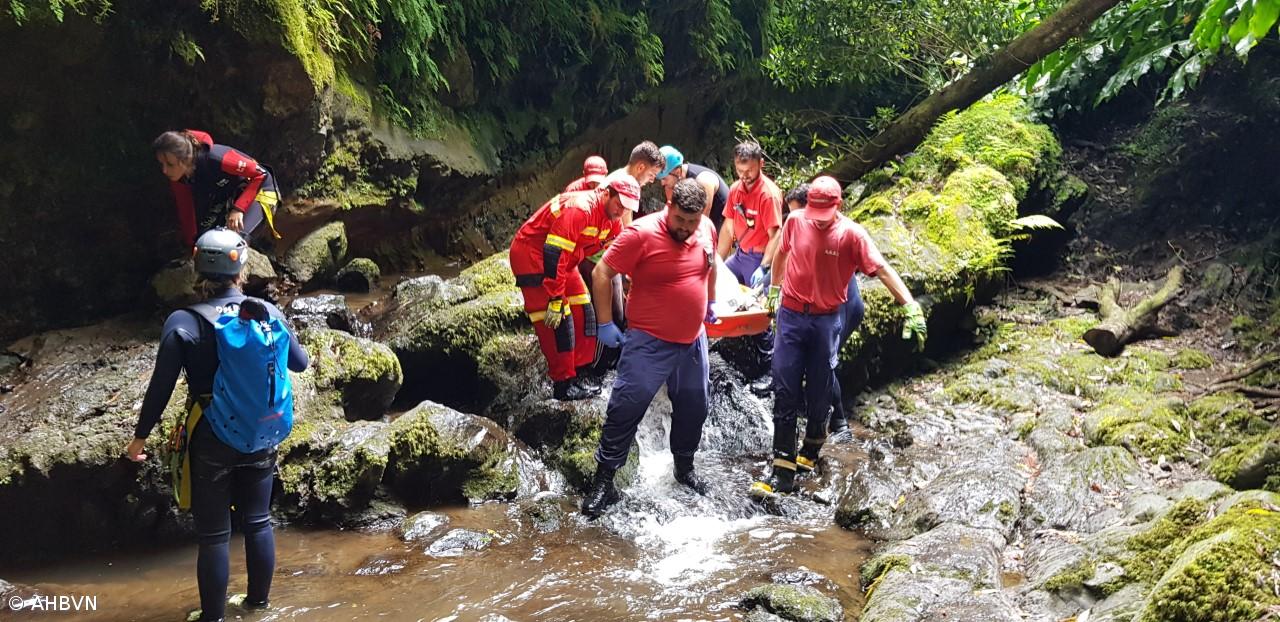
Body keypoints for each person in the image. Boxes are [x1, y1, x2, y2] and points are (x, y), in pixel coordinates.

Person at [124, 228, 309, 622]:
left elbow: (160, 387)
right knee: (258, 521)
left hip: (210, 436)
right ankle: (258, 605)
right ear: (241, 270)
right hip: (260, 432)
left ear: (198, 269)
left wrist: (139, 439)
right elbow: (300, 362)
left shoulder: (183, 322)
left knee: (213, 536)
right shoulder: (267, 312)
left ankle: (212, 618)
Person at [751, 176, 926, 498]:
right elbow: (781, 254)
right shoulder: (795, 221)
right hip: (791, 315)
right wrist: (774, 289)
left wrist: (910, 305)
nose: (818, 221)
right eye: (814, 213)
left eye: (824, 214)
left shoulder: (851, 234)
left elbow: (882, 269)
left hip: (825, 319)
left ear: (838, 206)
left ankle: (812, 443)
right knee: (784, 388)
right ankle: (782, 469)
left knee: (819, 391)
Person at [581, 178, 719, 517]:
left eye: (692, 221)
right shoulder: (641, 234)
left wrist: (711, 301)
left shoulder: (706, 229)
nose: (685, 228)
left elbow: (711, 264)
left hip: (692, 340)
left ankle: (684, 468)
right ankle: (604, 481)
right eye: (679, 219)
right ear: (669, 206)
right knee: (626, 407)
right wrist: (604, 323)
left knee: (694, 407)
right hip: (649, 341)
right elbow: (601, 273)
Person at [510, 174, 641, 401]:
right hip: (533, 257)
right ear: (606, 194)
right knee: (559, 319)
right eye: (619, 204)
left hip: (565, 260)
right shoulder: (580, 209)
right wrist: (555, 298)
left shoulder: (612, 221)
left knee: (584, 312)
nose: (621, 211)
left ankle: (578, 372)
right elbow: (553, 253)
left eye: (626, 208)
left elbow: (619, 259)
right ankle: (563, 384)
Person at [782, 183, 860, 436]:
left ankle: (839, 422)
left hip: (843, 308)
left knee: (825, 366)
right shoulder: (801, 225)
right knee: (816, 365)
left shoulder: (840, 233)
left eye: (798, 210)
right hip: (816, 308)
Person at [153, 130, 282, 248]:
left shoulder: (217, 158)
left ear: (186, 159)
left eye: (170, 164)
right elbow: (186, 211)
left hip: (259, 189)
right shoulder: (179, 178)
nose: (164, 170)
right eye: (161, 164)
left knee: (233, 241)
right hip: (228, 196)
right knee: (205, 242)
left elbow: (261, 174)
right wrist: (192, 245)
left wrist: (238, 209)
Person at [718, 141, 784, 290]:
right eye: (739, 170)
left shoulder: (768, 195)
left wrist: (764, 267)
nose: (744, 175)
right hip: (740, 254)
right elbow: (728, 228)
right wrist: (718, 262)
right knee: (718, 282)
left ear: (761, 164)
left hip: (758, 258)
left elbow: (775, 235)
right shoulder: (735, 189)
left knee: (754, 299)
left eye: (749, 170)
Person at [656, 145, 731, 231]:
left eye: (664, 178)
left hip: (726, 226)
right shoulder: (670, 184)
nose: (662, 183)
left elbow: (702, 224)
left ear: (677, 172)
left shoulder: (704, 181)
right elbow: (670, 212)